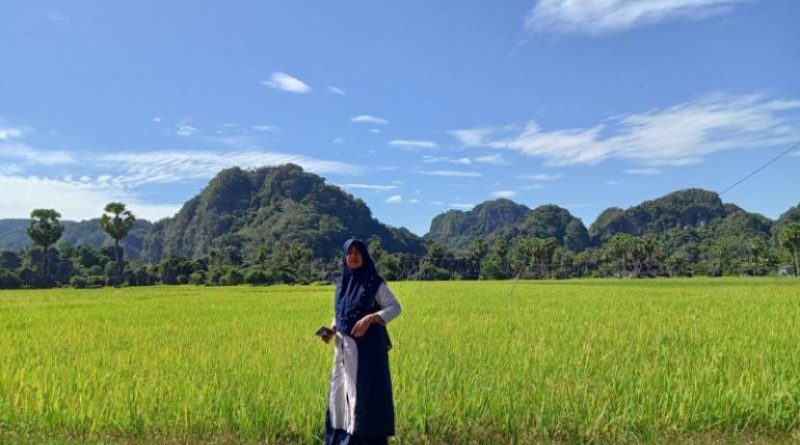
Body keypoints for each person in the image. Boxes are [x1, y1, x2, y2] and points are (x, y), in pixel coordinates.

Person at [320, 238, 402, 445]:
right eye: (349, 252)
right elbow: (340, 313)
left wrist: (371, 318)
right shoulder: (342, 284)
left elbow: (394, 307)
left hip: (367, 354)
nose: (353, 256)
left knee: (364, 396)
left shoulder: (374, 282)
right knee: (341, 395)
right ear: (344, 257)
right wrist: (331, 329)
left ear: (364, 256)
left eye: (357, 252)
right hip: (344, 351)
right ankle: (341, 440)